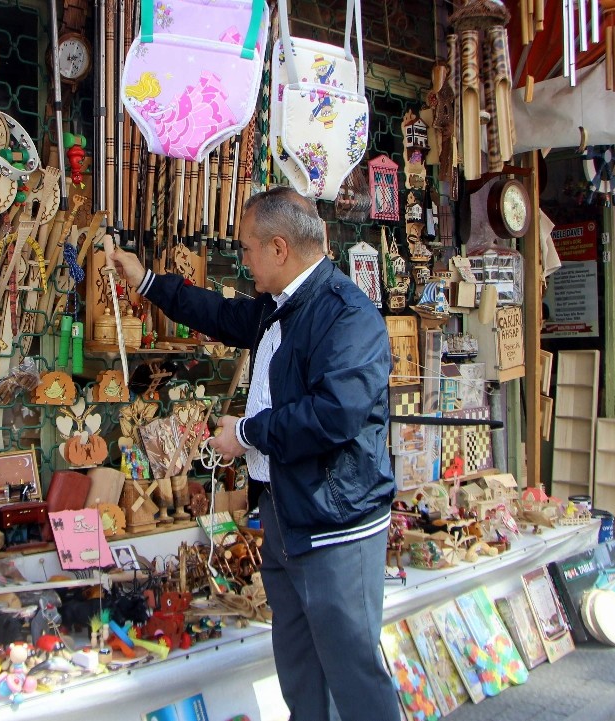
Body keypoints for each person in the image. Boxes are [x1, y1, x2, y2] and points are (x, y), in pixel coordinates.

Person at [110, 187, 400, 721]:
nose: (243, 260)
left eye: (246, 249)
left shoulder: (348, 317)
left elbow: (333, 415)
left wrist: (245, 433)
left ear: (279, 248)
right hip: (286, 515)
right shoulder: (278, 306)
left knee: (353, 670)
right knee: (299, 666)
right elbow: (220, 314)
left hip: (335, 525)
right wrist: (146, 281)